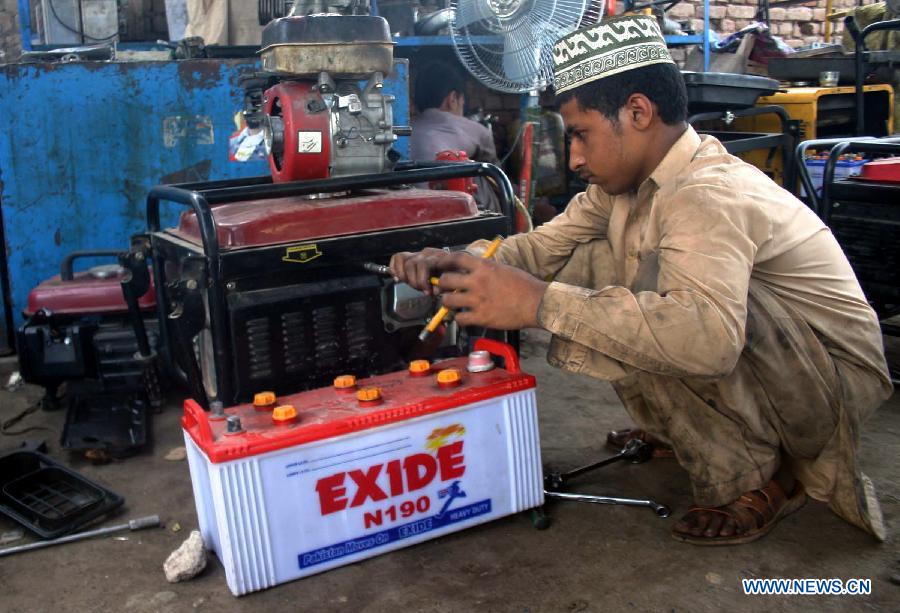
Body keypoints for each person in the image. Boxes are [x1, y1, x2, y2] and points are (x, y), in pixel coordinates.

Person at [391, 14, 893, 545]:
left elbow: (707, 340)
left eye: (581, 135)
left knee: (660, 303)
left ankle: (767, 474)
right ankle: (688, 427)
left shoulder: (707, 192)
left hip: (824, 381)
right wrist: (458, 260)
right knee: (596, 262)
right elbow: (540, 250)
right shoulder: (619, 187)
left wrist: (540, 304)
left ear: (637, 113)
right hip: (775, 355)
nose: (575, 157)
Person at [410, 61, 501, 212]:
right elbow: (497, 177)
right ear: (453, 98)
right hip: (449, 212)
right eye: (462, 102)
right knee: (486, 173)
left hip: (409, 209)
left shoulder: (405, 129)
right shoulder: (476, 130)